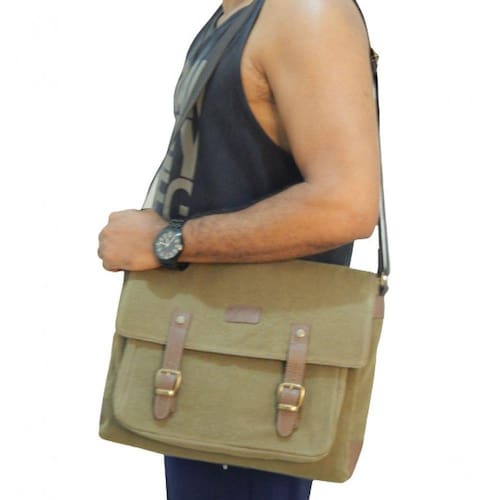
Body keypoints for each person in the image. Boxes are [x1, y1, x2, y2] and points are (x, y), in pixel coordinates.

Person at [98, 0, 381, 498]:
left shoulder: (303, 12)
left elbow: (346, 207)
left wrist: (167, 242)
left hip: (259, 376)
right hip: (204, 354)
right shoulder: (237, 14)